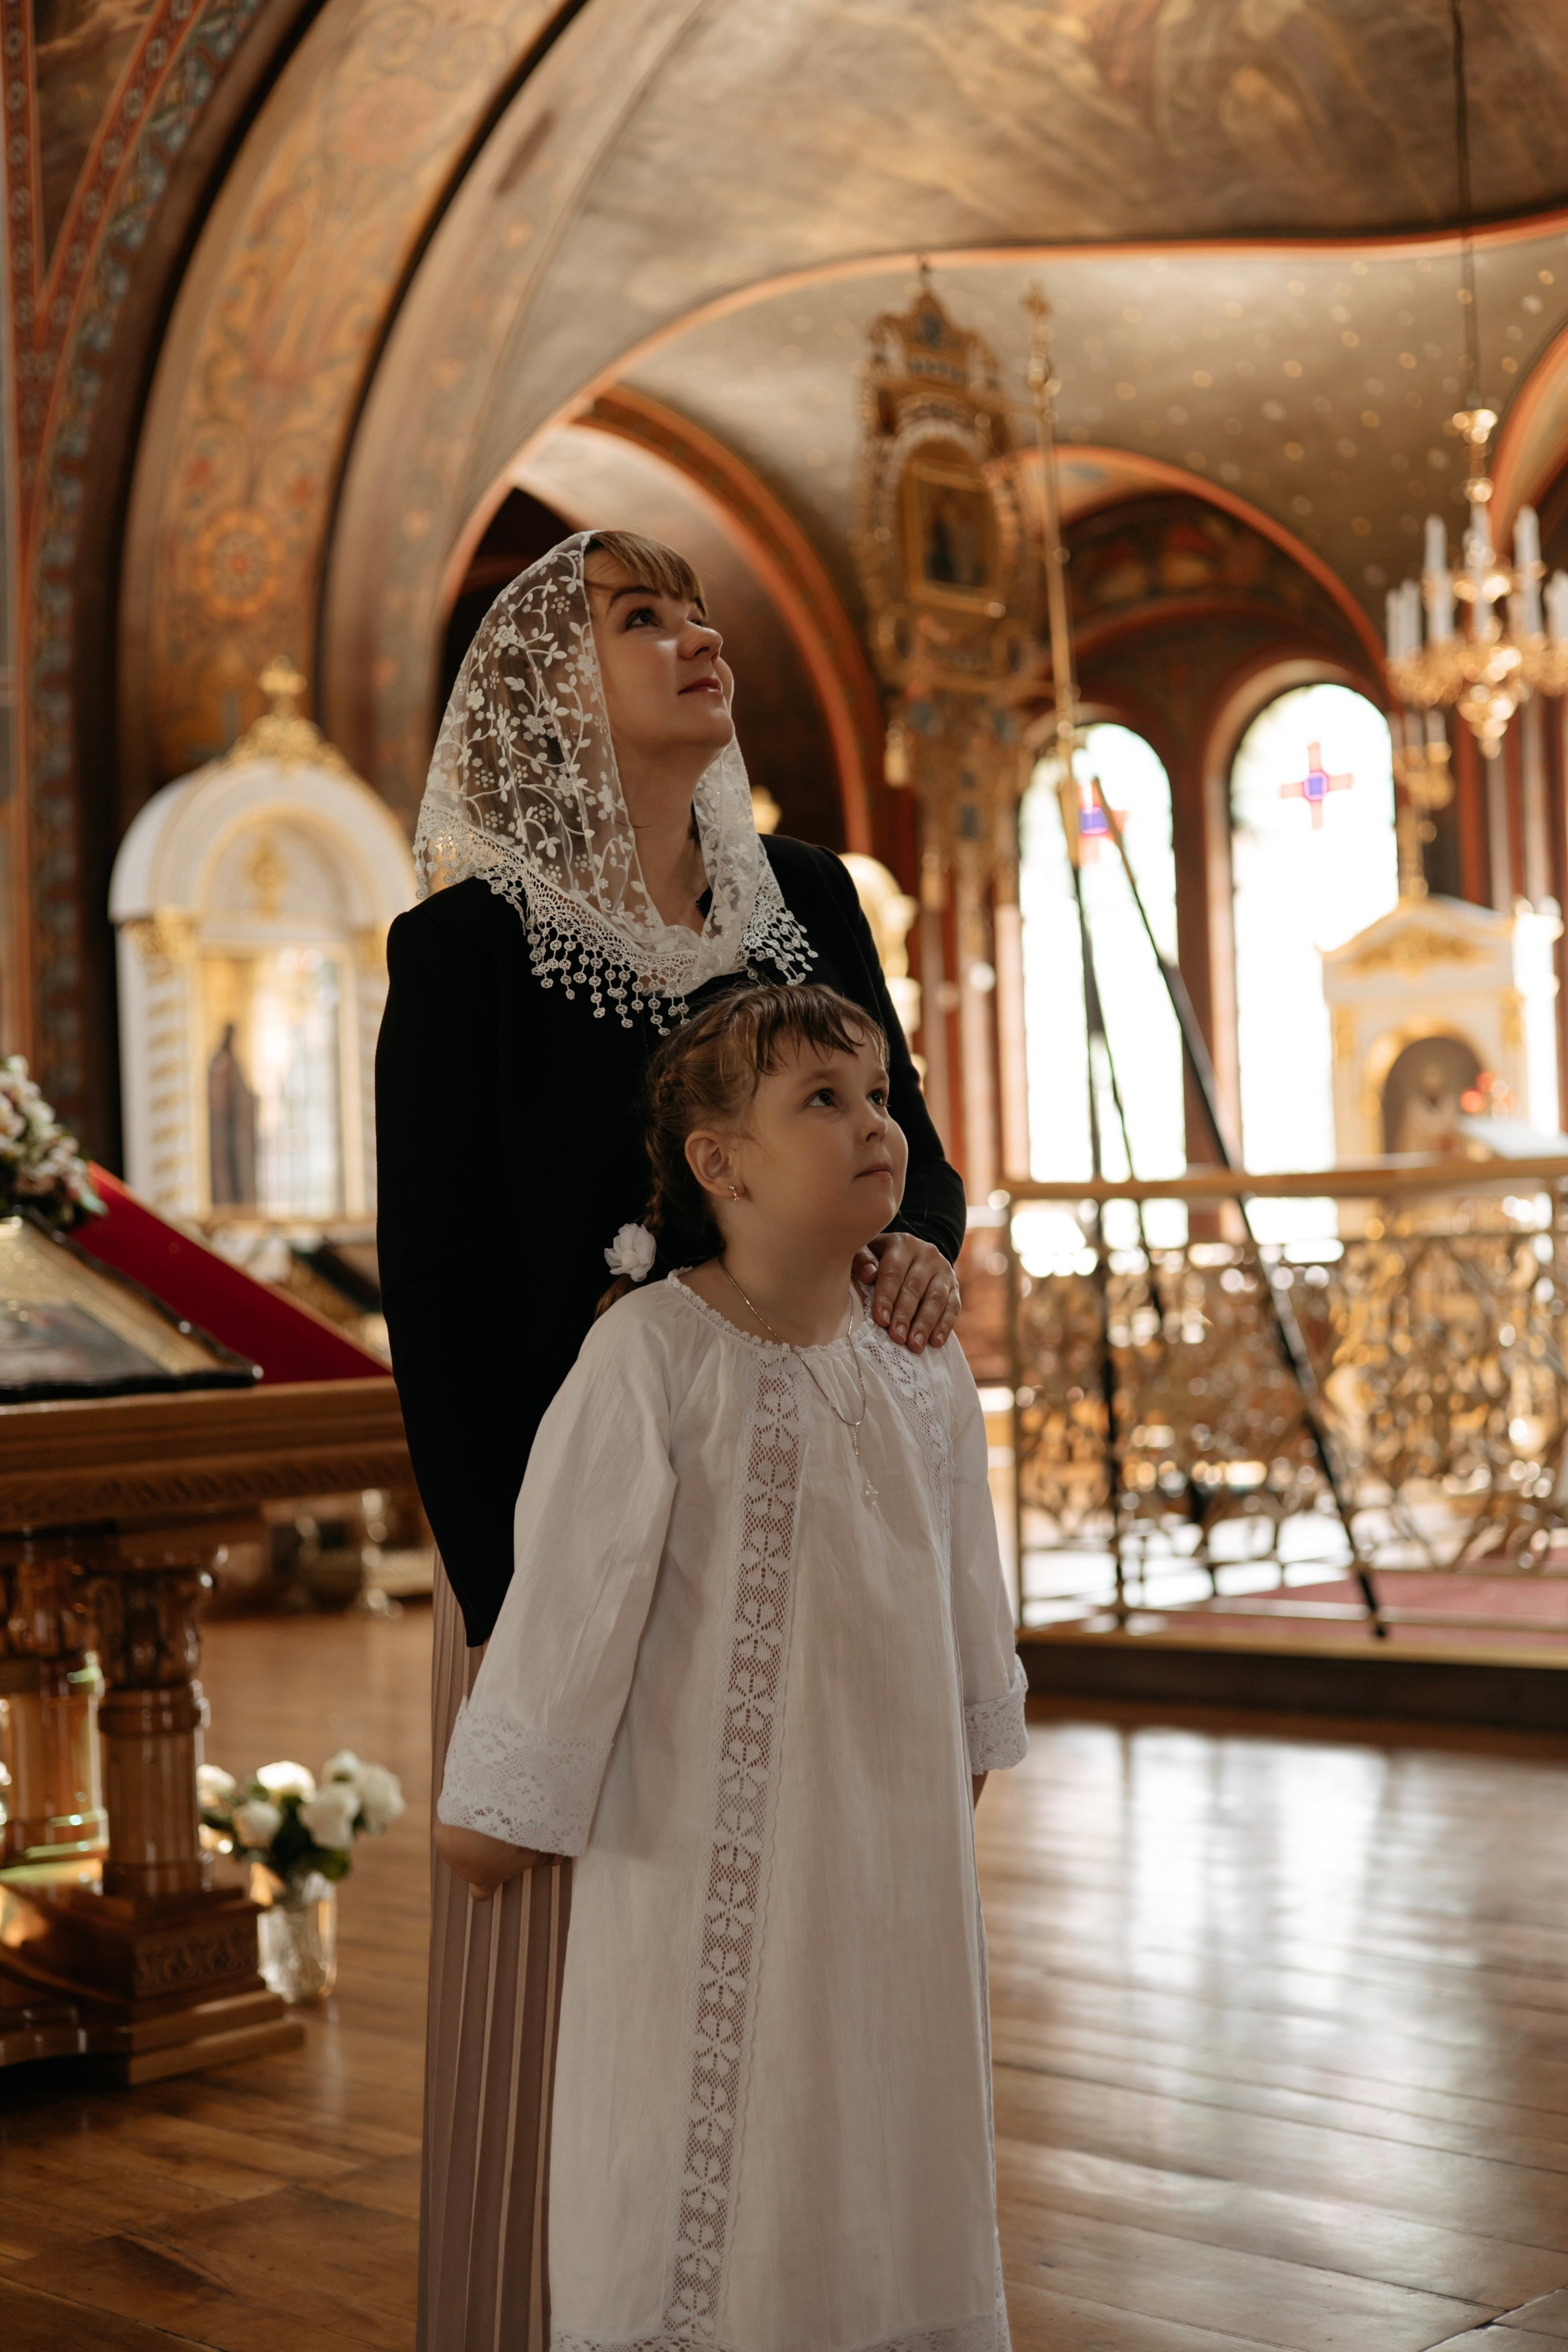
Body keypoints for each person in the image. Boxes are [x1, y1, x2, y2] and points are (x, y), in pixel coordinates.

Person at [375, 530, 967, 2350]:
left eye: (696, 609)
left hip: (822, 1524)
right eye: (642, 618)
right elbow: (450, 1300)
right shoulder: (467, 945)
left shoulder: (806, 895)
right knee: (587, 2007)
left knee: (829, 1980)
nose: (695, 636)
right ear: (554, 691)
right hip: (588, 1558)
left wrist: (930, 1241)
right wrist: (525, 1617)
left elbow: (914, 1147)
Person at [435, 980, 1025, 2350]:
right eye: (820, 1101)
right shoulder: (649, 1358)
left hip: (894, 1882)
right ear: (720, 1164)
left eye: (878, 1095)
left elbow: (964, 1606)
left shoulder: (919, 1362)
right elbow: (570, 1602)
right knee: (717, 2145)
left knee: (878, 2135)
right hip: (698, 1866)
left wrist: (941, 1782)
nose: (875, 1127)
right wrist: (495, 1815)